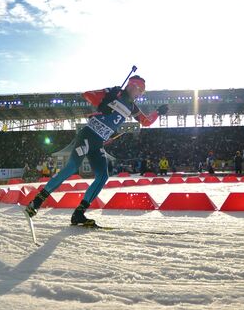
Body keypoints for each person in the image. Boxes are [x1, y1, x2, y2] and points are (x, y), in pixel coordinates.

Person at [24, 75, 168, 227]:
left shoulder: (132, 107)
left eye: (142, 92)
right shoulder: (115, 92)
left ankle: (79, 213)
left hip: (98, 142)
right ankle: (36, 202)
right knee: (72, 167)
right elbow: (88, 95)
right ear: (132, 86)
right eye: (140, 91)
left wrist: (158, 112)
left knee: (103, 176)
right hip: (88, 135)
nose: (140, 95)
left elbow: (146, 122)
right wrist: (104, 100)